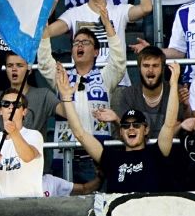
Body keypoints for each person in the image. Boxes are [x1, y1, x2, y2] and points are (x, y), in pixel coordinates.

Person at [56, 60, 180, 194]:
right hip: (119, 213)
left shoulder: (157, 152)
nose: (131, 128)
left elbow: (169, 124)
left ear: (146, 129)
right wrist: (67, 97)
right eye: (126, 125)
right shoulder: (111, 157)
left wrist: (173, 85)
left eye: (136, 124)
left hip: (148, 213)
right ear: (121, 132)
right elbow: (80, 133)